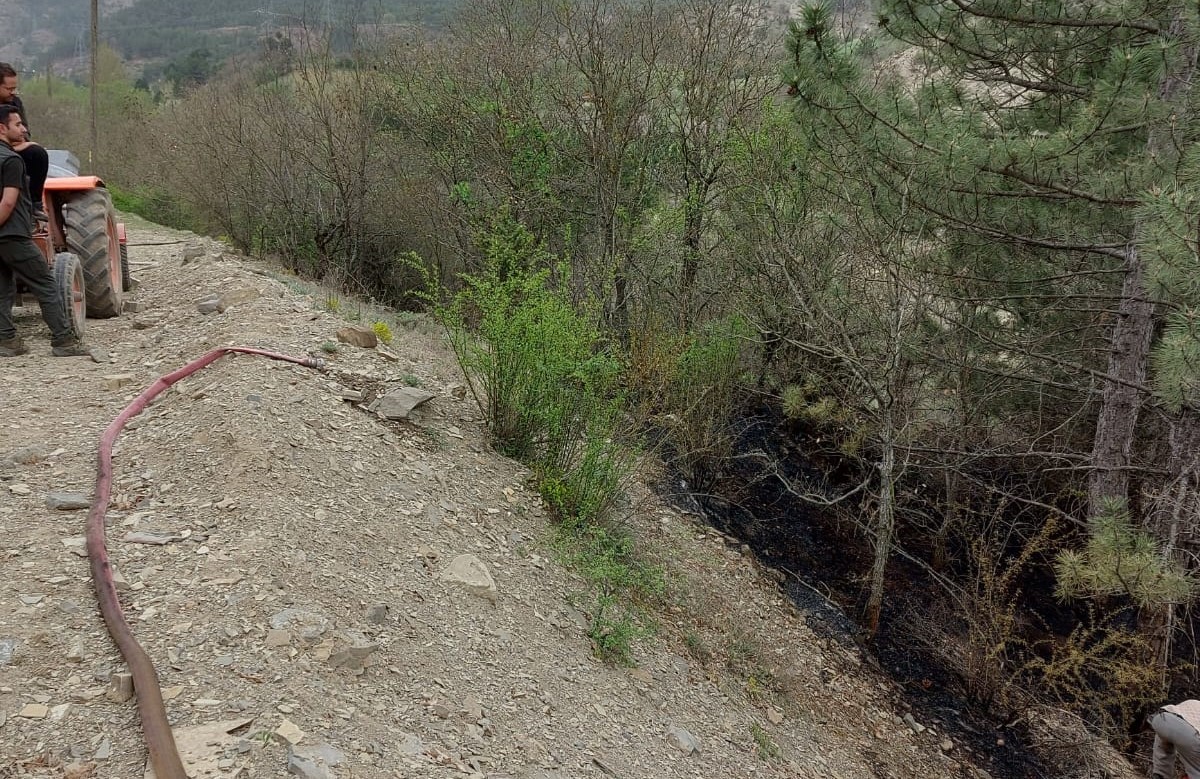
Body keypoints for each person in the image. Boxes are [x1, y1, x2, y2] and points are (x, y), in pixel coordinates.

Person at [0, 105, 90, 358]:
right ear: (2, 128)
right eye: (17, 124)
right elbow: (8, 202)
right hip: (13, 235)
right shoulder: (12, 161)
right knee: (46, 284)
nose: (24, 129)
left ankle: (7, 341)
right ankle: (64, 341)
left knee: (3, 288)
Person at [0, 63, 48, 223]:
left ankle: (35, 205)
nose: (13, 92)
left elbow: (23, 132)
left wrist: (18, 145)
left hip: (12, 149)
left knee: (37, 153)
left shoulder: (16, 103)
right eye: (9, 88)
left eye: (15, 87)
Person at [1149, 700, 1200, 779]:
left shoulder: (1195, 703)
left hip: (1161, 719)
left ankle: (1160, 774)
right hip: (1191, 736)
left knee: (1164, 739)